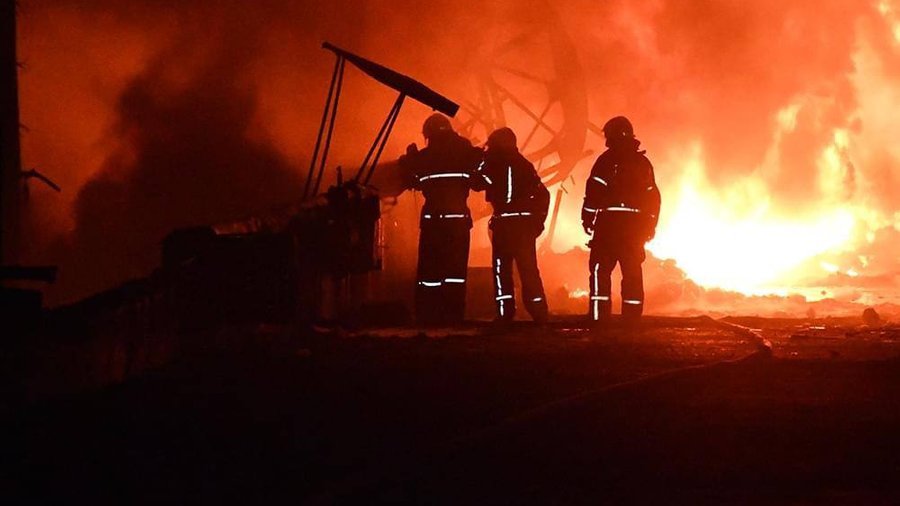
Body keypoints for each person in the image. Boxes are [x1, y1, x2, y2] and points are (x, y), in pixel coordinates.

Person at [399, 113, 483, 325]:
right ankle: (454, 315)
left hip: (433, 222)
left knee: (430, 272)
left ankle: (428, 315)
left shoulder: (425, 157)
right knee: (455, 273)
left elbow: (412, 180)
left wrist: (409, 158)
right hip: (458, 223)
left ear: (428, 134)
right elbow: (478, 181)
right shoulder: (465, 152)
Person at [581, 116, 660, 322]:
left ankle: (599, 318)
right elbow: (653, 198)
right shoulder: (642, 164)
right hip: (634, 231)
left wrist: (587, 218)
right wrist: (650, 226)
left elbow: (593, 192)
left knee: (600, 271)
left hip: (608, 229)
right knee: (632, 273)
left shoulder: (605, 161)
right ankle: (631, 321)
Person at [475, 127, 550, 324]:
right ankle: (539, 313)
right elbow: (544, 194)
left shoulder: (494, 165)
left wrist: (479, 159)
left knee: (502, 270)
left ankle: (505, 313)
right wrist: (538, 222)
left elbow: (477, 182)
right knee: (528, 270)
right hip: (523, 228)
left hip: (505, 227)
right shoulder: (524, 165)